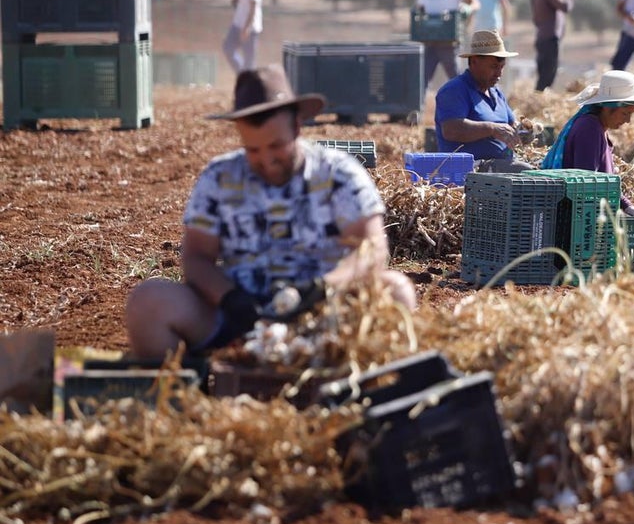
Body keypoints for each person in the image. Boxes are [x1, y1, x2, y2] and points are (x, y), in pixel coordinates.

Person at [124, 65, 417, 359]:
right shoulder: (219, 177)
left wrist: (321, 288)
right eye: (253, 149)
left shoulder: (339, 174)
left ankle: (362, 392)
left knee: (397, 292)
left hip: (330, 314)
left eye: (276, 146)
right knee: (148, 302)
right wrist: (229, 298)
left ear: (297, 128)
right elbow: (197, 256)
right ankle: (195, 391)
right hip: (239, 321)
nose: (266, 160)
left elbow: (371, 249)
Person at [539, 70, 634, 217]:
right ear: (608, 108)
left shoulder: (597, 127)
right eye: (625, 113)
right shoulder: (589, 129)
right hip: (577, 220)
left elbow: (602, 183)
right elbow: (588, 186)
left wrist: (627, 207)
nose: (628, 121)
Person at [435, 30, 534, 173]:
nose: (499, 73)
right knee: (524, 172)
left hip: (500, 166)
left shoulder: (496, 93)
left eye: (501, 67)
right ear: (474, 61)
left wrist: (523, 133)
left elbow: (511, 126)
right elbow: (451, 130)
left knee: (544, 168)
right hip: (472, 170)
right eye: (494, 67)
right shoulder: (454, 90)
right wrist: (492, 129)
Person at [415, 0, 478, 89]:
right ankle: (418, 109)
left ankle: (466, 106)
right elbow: (419, 9)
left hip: (449, 42)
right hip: (430, 41)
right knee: (422, 78)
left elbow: (475, 3)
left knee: (456, 77)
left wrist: (467, 10)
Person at [530, 0, 577, 92]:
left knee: (544, 76)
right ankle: (537, 104)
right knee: (547, 78)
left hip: (542, 37)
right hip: (550, 39)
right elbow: (566, 6)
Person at [222, 0, 263, 74]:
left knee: (249, 60)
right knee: (228, 48)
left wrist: (246, 28)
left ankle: (248, 81)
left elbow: (253, 8)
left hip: (250, 27)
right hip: (237, 23)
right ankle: (242, 74)